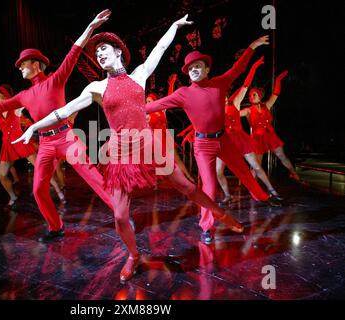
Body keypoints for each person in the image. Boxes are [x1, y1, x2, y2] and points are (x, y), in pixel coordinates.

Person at [13, 15, 243, 282]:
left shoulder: (140, 75)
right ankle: (133, 256)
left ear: (119, 52)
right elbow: (62, 111)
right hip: (121, 152)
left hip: (147, 144)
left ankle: (220, 214)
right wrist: (32, 128)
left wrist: (173, 26)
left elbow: (160, 48)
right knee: (120, 216)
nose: (99, 53)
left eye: (103, 49)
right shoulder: (96, 87)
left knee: (188, 187)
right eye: (96, 51)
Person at [0, 10, 113, 242]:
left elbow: (74, 52)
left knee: (95, 179)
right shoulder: (24, 95)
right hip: (46, 144)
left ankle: (121, 214)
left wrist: (90, 27)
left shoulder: (56, 79)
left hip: (67, 139)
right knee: (38, 189)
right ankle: (56, 227)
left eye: (22, 64)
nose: (19, 67)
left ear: (35, 64)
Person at [145, 35, 280, 245]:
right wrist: (121, 107)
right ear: (188, 74)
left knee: (243, 170)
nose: (194, 70)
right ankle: (206, 227)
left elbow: (239, 68)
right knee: (208, 188)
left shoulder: (220, 83)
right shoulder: (183, 93)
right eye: (190, 68)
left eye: (198, 66)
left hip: (224, 140)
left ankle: (261, 196)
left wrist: (252, 46)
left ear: (207, 69)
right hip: (203, 145)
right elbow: (152, 106)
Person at [0, 84, 65, 207]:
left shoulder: (16, 109)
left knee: (41, 168)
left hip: (21, 143)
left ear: (4, 96)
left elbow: (27, 104)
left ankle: (59, 191)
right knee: (1, 175)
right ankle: (12, 196)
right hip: (7, 146)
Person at [216, 57, 283, 203]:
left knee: (256, 166)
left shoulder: (236, 103)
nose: (223, 97)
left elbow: (246, 84)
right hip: (225, 142)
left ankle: (272, 190)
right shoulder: (217, 111)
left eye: (225, 95)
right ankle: (228, 195)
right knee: (218, 172)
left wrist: (254, 67)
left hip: (240, 140)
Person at [241, 70, 300, 180]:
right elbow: (236, 114)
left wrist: (278, 80)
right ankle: (253, 186)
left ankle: (293, 173)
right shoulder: (248, 110)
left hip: (270, 136)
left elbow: (276, 93)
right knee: (256, 164)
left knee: (282, 155)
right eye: (250, 95)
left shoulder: (266, 106)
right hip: (257, 139)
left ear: (259, 96)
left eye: (254, 94)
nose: (251, 96)